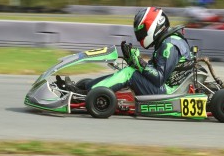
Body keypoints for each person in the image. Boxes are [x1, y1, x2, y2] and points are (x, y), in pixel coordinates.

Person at [63, 7, 195, 95]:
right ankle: (86, 87)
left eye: (143, 32)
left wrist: (138, 62)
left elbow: (159, 78)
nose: (141, 35)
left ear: (155, 26)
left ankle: (88, 94)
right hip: (166, 87)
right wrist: (133, 60)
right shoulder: (168, 41)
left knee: (129, 73)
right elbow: (155, 71)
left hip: (167, 92)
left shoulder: (169, 45)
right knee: (127, 70)